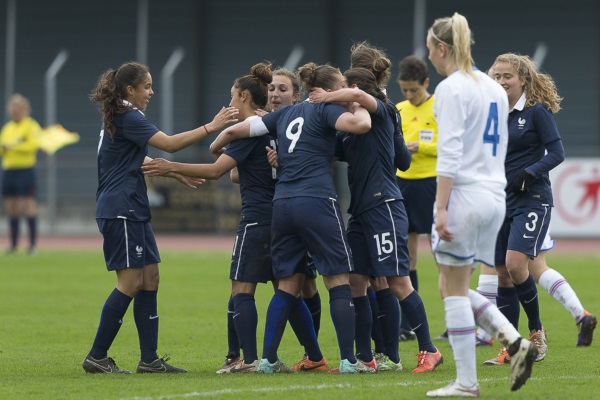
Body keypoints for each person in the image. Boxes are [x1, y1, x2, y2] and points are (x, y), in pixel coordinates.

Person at [142, 64, 327, 374]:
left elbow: (217, 172)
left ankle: (250, 360)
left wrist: (170, 167)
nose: (228, 103)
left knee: (242, 288)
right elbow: (238, 173)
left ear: (242, 96)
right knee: (289, 289)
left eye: (231, 96)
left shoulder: (250, 126)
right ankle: (314, 355)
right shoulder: (278, 124)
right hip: (286, 215)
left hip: (257, 218)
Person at [210, 62, 375, 374]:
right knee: (338, 279)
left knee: (287, 284)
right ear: (326, 90)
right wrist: (356, 102)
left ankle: (268, 361)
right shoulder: (323, 110)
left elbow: (234, 130)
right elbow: (362, 125)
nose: (345, 89)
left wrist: (216, 144)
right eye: (340, 85)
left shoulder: (281, 115)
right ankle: (349, 362)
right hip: (317, 201)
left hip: (282, 204)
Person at [82, 61, 238, 374]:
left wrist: (174, 175)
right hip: (121, 208)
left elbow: (135, 157)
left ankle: (149, 360)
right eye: (147, 86)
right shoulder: (129, 116)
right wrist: (212, 126)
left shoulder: (122, 117)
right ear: (130, 90)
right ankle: (97, 356)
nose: (151, 92)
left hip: (132, 208)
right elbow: (169, 143)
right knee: (130, 282)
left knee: (150, 277)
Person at [425, 13, 538, 397]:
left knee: (453, 289)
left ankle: (467, 383)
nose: (430, 58)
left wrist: (441, 207)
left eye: (430, 50)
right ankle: (513, 340)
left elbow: (450, 151)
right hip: (494, 195)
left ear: (442, 48)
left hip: (465, 194)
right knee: (448, 285)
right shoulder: (491, 87)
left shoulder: (451, 87)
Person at [310, 67, 443, 374]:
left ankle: (429, 349)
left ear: (355, 87)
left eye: (345, 86)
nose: (341, 92)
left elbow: (357, 96)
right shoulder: (352, 129)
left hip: (384, 206)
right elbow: (329, 150)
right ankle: (365, 357)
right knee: (357, 281)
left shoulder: (380, 110)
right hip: (360, 211)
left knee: (398, 281)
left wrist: (326, 96)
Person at [482, 53, 596, 366]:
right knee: (503, 275)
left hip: (532, 198)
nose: (502, 82)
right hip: (498, 200)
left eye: (508, 76)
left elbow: (557, 152)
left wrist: (529, 173)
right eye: (497, 76)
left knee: (517, 265)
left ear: (522, 80)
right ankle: (511, 346)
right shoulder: (489, 112)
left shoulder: (536, 113)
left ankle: (536, 333)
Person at [395, 55, 438, 341]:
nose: (410, 95)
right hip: (403, 183)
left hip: (432, 183)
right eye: (405, 90)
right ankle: (408, 324)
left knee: (442, 254)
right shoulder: (398, 109)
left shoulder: (441, 107)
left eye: (414, 90)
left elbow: (451, 144)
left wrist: (421, 146)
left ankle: (462, 321)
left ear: (426, 82)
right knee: (407, 255)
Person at [0, 94, 41, 255]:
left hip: (26, 170)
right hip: (9, 170)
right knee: (11, 208)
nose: (14, 111)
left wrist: (14, 147)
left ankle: (32, 245)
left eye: (17, 108)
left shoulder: (31, 126)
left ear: (25, 109)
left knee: (28, 207)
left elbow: (33, 145)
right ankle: (13, 244)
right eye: (12, 108)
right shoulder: (7, 128)